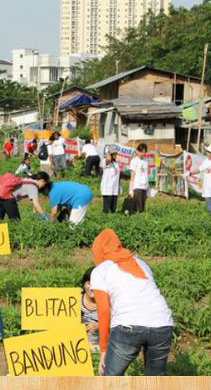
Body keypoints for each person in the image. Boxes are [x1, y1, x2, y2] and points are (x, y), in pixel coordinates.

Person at [90, 229, 174, 376]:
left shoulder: (100, 270)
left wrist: (104, 350)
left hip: (128, 325)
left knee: (110, 379)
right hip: (163, 323)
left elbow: (103, 311)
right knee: (156, 381)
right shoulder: (140, 263)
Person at [81, 267, 99, 353]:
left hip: (99, 349)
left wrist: (99, 326)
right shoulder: (74, 299)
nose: (91, 287)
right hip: (76, 348)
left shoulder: (109, 303)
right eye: (88, 283)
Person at [129, 143, 150, 213]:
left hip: (144, 187)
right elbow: (132, 176)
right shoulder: (134, 161)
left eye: (144, 152)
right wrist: (131, 191)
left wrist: (148, 188)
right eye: (141, 152)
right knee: (138, 208)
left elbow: (146, 175)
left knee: (143, 208)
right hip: (137, 186)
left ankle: (141, 222)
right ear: (137, 151)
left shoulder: (146, 162)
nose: (143, 154)